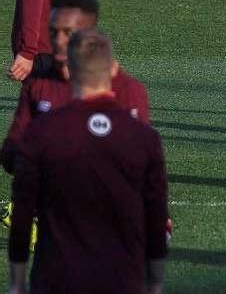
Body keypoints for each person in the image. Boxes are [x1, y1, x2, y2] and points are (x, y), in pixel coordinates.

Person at [8, 29, 168, 294]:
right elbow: (156, 215)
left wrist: (16, 282)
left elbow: (23, 214)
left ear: (68, 70)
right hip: (123, 279)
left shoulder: (41, 134)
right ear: (113, 70)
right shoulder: (144, 138)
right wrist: (155, 282)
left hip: (55, 278)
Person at [1, 0, 150, 174]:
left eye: (68, 33)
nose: (58, 41)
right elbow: (10, 152)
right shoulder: (39, 85)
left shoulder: (126, 90)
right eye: (53, 32)